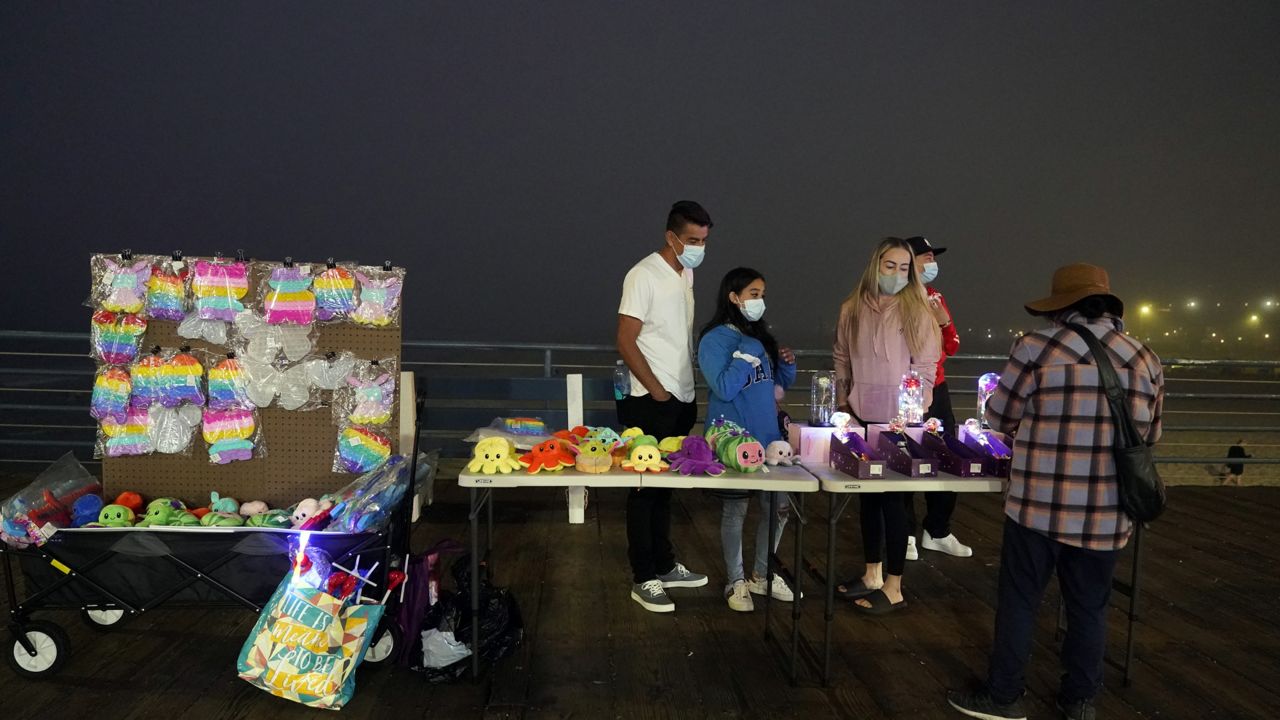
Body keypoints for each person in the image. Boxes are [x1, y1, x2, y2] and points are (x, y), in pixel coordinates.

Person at [947, 263, 1164, 720]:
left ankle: (1003, 697)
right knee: (1089, 607)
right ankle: (1079, 701)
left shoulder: (1035, 347)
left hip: (1038, 508)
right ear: (1110, 308)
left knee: (1021, 600)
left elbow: (1000, 418)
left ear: (1060, 308)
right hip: (1107, 512)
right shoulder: (1145, 357)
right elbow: (1150, 435)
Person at [832, 237, 941, 615]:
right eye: (889, 265)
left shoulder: (918, 310)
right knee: (868, 499)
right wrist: (844, 403)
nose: (896, 274)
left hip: (901, 420)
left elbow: (926, 368)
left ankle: (894, 585)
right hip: (861, 415)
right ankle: (871, 573)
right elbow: (842, 357)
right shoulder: (852, 307)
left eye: (904, 267)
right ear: (875, 265)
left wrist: (914, 413)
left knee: (895, 502)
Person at [616, 201, 712, 613]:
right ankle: (644, 577)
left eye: (704, 241)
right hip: (648, 400)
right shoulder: (643, 274)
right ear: (670, 236)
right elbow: (625, 339)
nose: (698, 248)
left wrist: (681, 393)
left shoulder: (685, 272)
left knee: (664, 488)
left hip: (681, 397)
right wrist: (656, 390)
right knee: (642, 490)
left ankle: (665, 564)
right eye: (692, 240)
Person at [697, 267, 798, 612]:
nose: (760, 301)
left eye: (762, 294)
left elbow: (772, 387)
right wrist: (744, 355)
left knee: (779, 508)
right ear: (734, 297)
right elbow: (723, 387)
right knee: (735, 509)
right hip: (733, 439)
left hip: (770, 438)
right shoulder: (714, 340)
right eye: (754, 294)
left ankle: (761, 574)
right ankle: (735, 581)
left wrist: (786, 367)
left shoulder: (757, 336)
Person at [902, 236, 973, 560]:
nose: (931, 264)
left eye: (933, 258)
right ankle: (903, 533)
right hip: (901, 389)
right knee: (903, 457)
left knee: (947, 456)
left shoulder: (935, 297)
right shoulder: (894, 298)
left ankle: (937, 529)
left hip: (937, 389)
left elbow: (953, 345)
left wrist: (943, 320)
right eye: (926, 258)